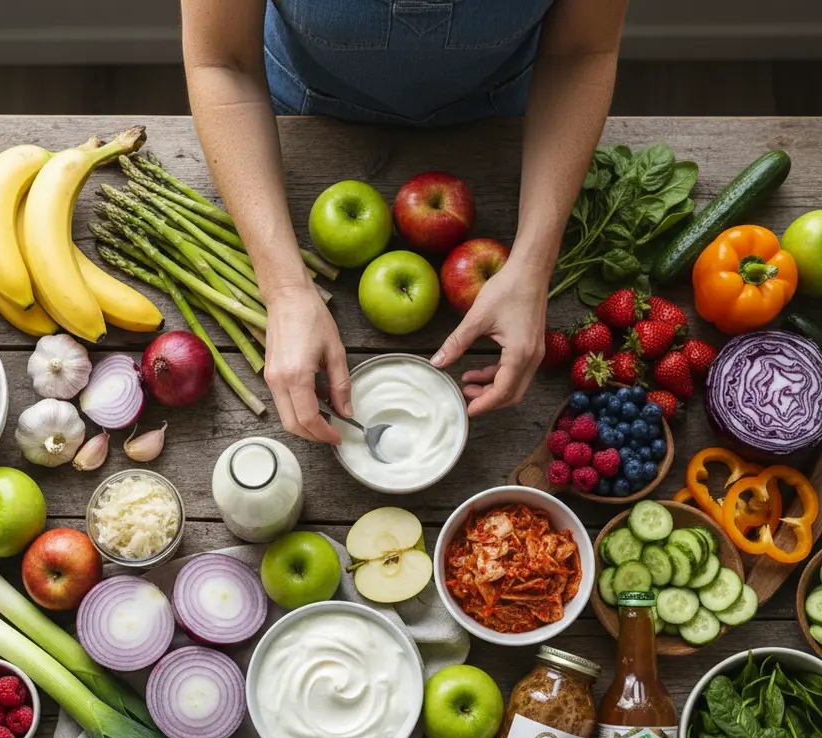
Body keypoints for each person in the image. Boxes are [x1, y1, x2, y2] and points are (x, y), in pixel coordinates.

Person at [181, 0, 628, 443]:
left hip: (509, 127)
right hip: (302, 118)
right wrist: (284, 290)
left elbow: (582, 52)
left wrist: (532, 266)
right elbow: (223, 60)